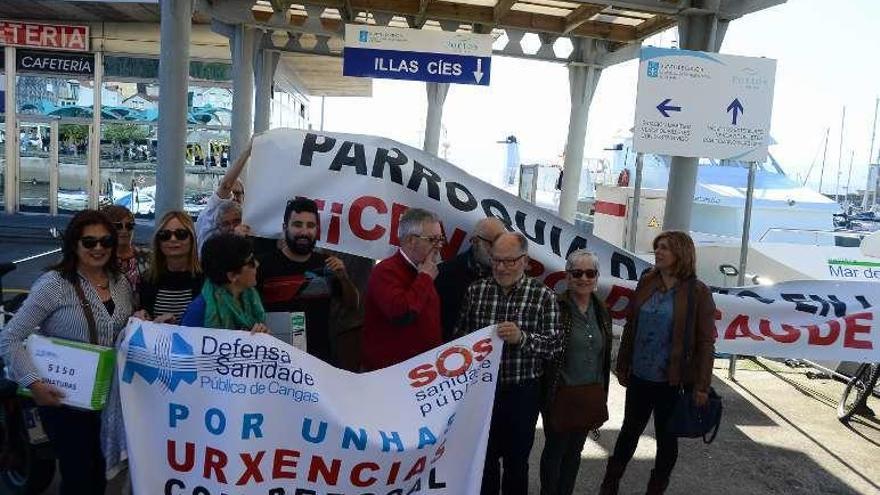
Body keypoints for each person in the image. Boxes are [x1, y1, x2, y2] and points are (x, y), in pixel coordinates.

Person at [0, 210, 134, 494]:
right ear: (74, 244)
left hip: (107, 400)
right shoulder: (55, 284)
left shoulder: (120, 283)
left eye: (106, 241)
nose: (98, 248)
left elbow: (120, 330)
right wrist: (34, 383)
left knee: (99, 474)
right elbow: (10, 337)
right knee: (78, 478)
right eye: (89, 242)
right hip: (64, 400)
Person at [600, 231, 717, 495]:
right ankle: (610, 484)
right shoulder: (647, 281)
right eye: (657, 247)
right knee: (629, 432)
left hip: (672, 381)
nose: (658, 252)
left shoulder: (698, 292)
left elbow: (706, 343)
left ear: (681, 253)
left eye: (665, 248)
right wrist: (623, 362)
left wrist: (701, 386)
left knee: (666, 439)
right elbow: (631, 325)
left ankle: (656, 488)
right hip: (640, 375)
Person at [455, 232, 560, 495]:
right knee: (485, 460)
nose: (501, 267)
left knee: (516, 463)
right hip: (482, 393)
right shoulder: (476, 291)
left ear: (525, 261)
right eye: (496, 260)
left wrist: (522, 338)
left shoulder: (543, 296)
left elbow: (555, 346)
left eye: (509, 261)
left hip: (522, 393)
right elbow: (460, 338)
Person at [540, 249, 612, 495]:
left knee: (575, 453)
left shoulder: (602, 310)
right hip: (560, 395)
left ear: (596, 277)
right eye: (577, 273)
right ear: (567, 276)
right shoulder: (555, 307)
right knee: (555, 452)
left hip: (589, 395)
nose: (584, 278)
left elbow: (603, 355)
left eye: (590, 273)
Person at [257, 197, 358, 363]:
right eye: (297, 225)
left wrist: (343, 278)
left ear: (317, 229)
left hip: (319, 362)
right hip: (275, 361)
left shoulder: (327, 264)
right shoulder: (262, 266)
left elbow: (352, 305)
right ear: (285, 228)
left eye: (310, 226)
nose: (304, 232)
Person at [361, 208, 443, 371]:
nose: (439, 246)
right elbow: (402, 314)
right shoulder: (386, 271)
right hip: (391, 374)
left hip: (424, 370)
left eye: (440, 239)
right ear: (412, 240)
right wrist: (425, 278)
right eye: (433, 240)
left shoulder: (424, 269)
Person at [434, 217, 506, 342]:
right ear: (476, 241)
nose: (499, 249)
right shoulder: (444, 274)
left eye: (503, 242)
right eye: (493, 243)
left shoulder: (511, 274)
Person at [181, 233, 268, 333]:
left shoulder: (251, 298)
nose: (257, 264)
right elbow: (184, 346)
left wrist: (262, 337)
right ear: (232, 276)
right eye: (251, 262)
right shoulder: (198, 311)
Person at [138, 211, 203, 324]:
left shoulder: (206, 279)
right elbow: (145, 318)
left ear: (192, 239)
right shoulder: (148, 279)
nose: (173, 239)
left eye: (181, 234)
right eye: (165, 235)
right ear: (158, 241)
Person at [195, 137, 252, 253]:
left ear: (244, 197)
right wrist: (248, 151)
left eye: (237, 194)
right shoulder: (212, 211)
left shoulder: (246, 220)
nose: (233, 198)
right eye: (230, 193)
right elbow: (227, 184)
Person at [101, 204, 150, 296]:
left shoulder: (148, 257)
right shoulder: (99, 260)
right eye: (118, 226)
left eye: (129, 226)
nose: (124, 230)